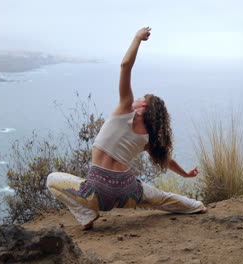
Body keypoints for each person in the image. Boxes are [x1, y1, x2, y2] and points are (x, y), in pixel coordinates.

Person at [47, 27, 206, 230]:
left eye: (141, 97)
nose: (137, 97)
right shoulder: (148, 139)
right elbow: (166, 160)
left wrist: (137, 39)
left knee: (52, 179)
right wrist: (184, 174)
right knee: (162, 198)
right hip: (126, 193)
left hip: (97, 193)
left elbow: (125, 66)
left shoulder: (125, 108)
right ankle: (197, 206)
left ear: (144, 106)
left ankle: (86, 215)